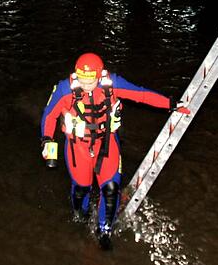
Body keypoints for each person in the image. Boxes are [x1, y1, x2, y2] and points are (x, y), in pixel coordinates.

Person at [40, 52, 186, 249]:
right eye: (81, 79)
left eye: (90, 79)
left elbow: (141, 94)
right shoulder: (65, 90)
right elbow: (49, 115)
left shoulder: (112, 84)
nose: (85, 84)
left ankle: (104, 230)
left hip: (106, 143)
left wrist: (170, 104)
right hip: (78, 147)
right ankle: (80, 216)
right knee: (82, 187)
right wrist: (47, 140)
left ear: (100, 75)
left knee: (110, 189)